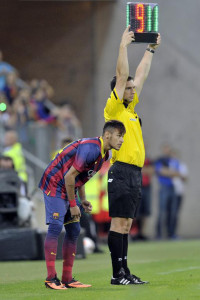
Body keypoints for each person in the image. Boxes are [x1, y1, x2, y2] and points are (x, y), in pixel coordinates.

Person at [38, 120, 125, 290]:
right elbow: (70, 177)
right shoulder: (91, 149)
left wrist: (82, 199)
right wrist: (73, 204)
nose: (122, 140)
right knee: (55, 226)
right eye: (119, 135)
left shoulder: (104, 154)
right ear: (107, 135)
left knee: (75, 229)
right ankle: (50, 279)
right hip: (54, 184)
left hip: (67, 185)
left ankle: (67, 279)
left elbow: (81, 176)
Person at [104, 26, 161, 285]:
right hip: (121, 171)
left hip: (134, 173)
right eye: (128, 89)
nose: (132, 89)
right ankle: (117, 275)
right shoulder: (114, 108)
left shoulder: (130, 107)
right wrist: (122, 47)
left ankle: (125, 271)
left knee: (127, 226)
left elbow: (140, 75)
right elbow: (123, 74)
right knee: (118, 224)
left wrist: (150, 50)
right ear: (118, 90)